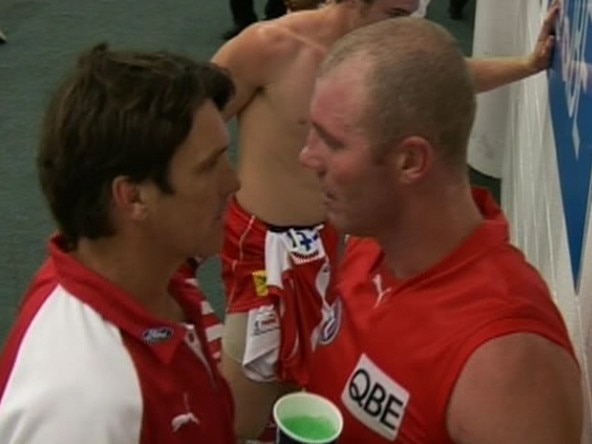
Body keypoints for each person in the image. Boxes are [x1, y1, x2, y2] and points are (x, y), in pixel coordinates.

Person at [212, 0, 561, 439]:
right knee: (242, 398)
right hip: (264, 248)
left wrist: (528, 65)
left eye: (332, 141)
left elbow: (443, 79)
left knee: (301, 373)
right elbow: (188, 130)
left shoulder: (504, 349)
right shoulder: (268, 46)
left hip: (327, 237)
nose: (308, 156)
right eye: (398, 12)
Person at [299, 17, 583, 443]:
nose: (307, 157)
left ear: (411, 161)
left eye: (333, 142)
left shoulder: (506, 363)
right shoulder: (371, 238)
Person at [0, 43, 240, 444]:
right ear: (133, 198)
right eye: (209, 166)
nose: (233, 182)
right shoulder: (84, 404)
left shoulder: (159, 285)